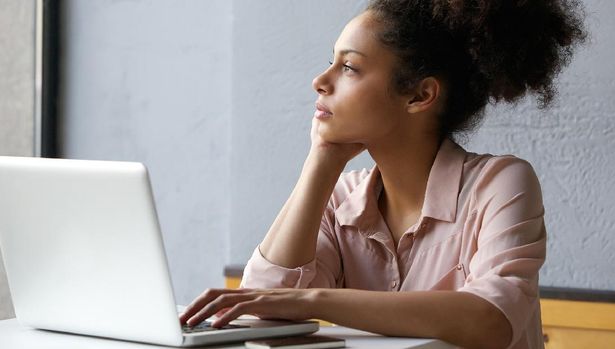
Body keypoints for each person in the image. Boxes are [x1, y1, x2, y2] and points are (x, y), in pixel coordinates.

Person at [179, 1, 586, 348]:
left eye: (350, 68)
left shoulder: (500, 183)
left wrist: (312, 300)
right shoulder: (340, 198)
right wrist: (321, 160)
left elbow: (492, 318)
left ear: (420, 95)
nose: (321, 82)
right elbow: (265, 304)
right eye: (330, 63)